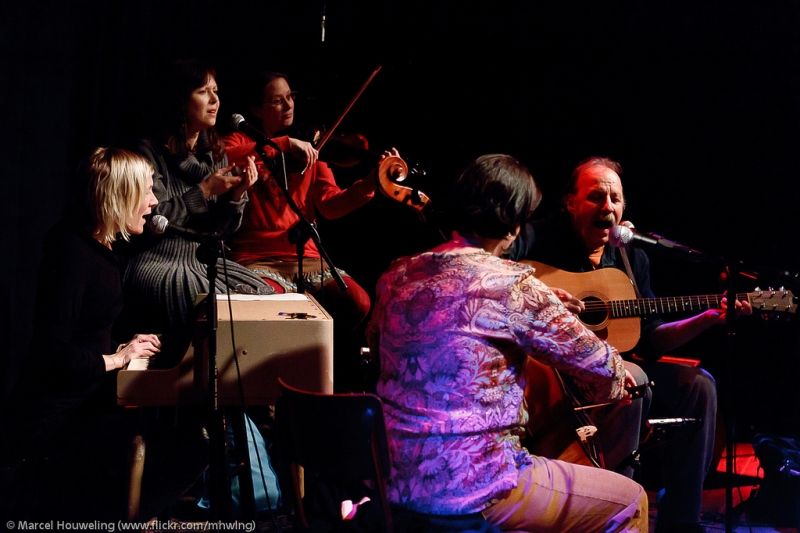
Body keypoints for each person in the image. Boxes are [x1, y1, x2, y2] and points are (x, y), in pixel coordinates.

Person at [367, 154, 648, 531]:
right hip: (476, 486)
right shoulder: (514, 286)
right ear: (515, 224)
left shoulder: (397, 274)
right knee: (629, 501)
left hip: (395, 481)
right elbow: (604, 369)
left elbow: (377, 345)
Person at [510, 156, 751, 532]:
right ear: (570, 203)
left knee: (700, 385)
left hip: (616, 364)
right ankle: (615, 508)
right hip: (552, 369)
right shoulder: (537, 237)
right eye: (595, 196)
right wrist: (541, 295)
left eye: (615, 198)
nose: (607, 206)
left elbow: (651, 337)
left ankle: (681, 520)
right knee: (633, 378)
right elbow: (492, 263)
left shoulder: (631, 257)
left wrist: (708, 318)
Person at [1, 147, 161, 520]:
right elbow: (52, 354)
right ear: (120, 195)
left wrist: (121, 348)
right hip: (56, 420)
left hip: (84, 400)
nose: (154, 201)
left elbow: (86, 336)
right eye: (146, 191)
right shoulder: (71, 252)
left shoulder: (98, 248)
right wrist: (117, 359)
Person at [223, 71, 390, 390]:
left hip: (307, 257)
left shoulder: (310, 152)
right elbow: (222, 158)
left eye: (290, 97)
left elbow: (331, 205)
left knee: (357, 301)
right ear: (257, 109)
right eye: (277, 100)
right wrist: (283, 144)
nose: (288, 105)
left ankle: (323, 376)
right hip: (255, 258)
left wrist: (370, 184)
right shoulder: (240, 142)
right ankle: (273, 384)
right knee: (275, 304)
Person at [121, 60, 270, 341]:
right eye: (203, 91)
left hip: (202, 260)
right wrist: (203, 191)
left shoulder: (215, 154)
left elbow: (221, 232)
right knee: (205, 304)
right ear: (181, 100)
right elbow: (153, 219)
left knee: (262, 296)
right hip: (158, 260)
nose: (214, 100)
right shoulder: (149, 152)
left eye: (216, 91)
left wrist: (236, 196)